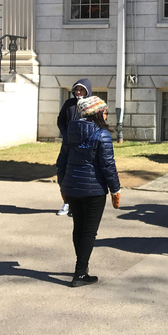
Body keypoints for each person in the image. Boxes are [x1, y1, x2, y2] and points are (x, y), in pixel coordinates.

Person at [56, 96, 121, 287]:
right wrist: (115, 190)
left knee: (79, 227)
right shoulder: (102, 134)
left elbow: (61, 162)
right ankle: (80, 273)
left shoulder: (70, 131)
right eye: (105, 111)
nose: (107, 114)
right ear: (97, 113)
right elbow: (108, 166)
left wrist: (63, 186)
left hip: (73, 188)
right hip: (94, 190)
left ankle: (82, 268)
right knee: (89, 231)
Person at [56, 78, 92, 216]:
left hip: (83, 147)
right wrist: (65, 133)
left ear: (87, 90)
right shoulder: (69, 104)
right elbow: (60, 120)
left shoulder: (90, 104)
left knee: (79, 174)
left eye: (81, 89)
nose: (78, 92)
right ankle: (67, 202)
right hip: (67, 145)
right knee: (62, 171)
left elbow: (98, 121)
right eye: (77, 89)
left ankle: (78, 205)